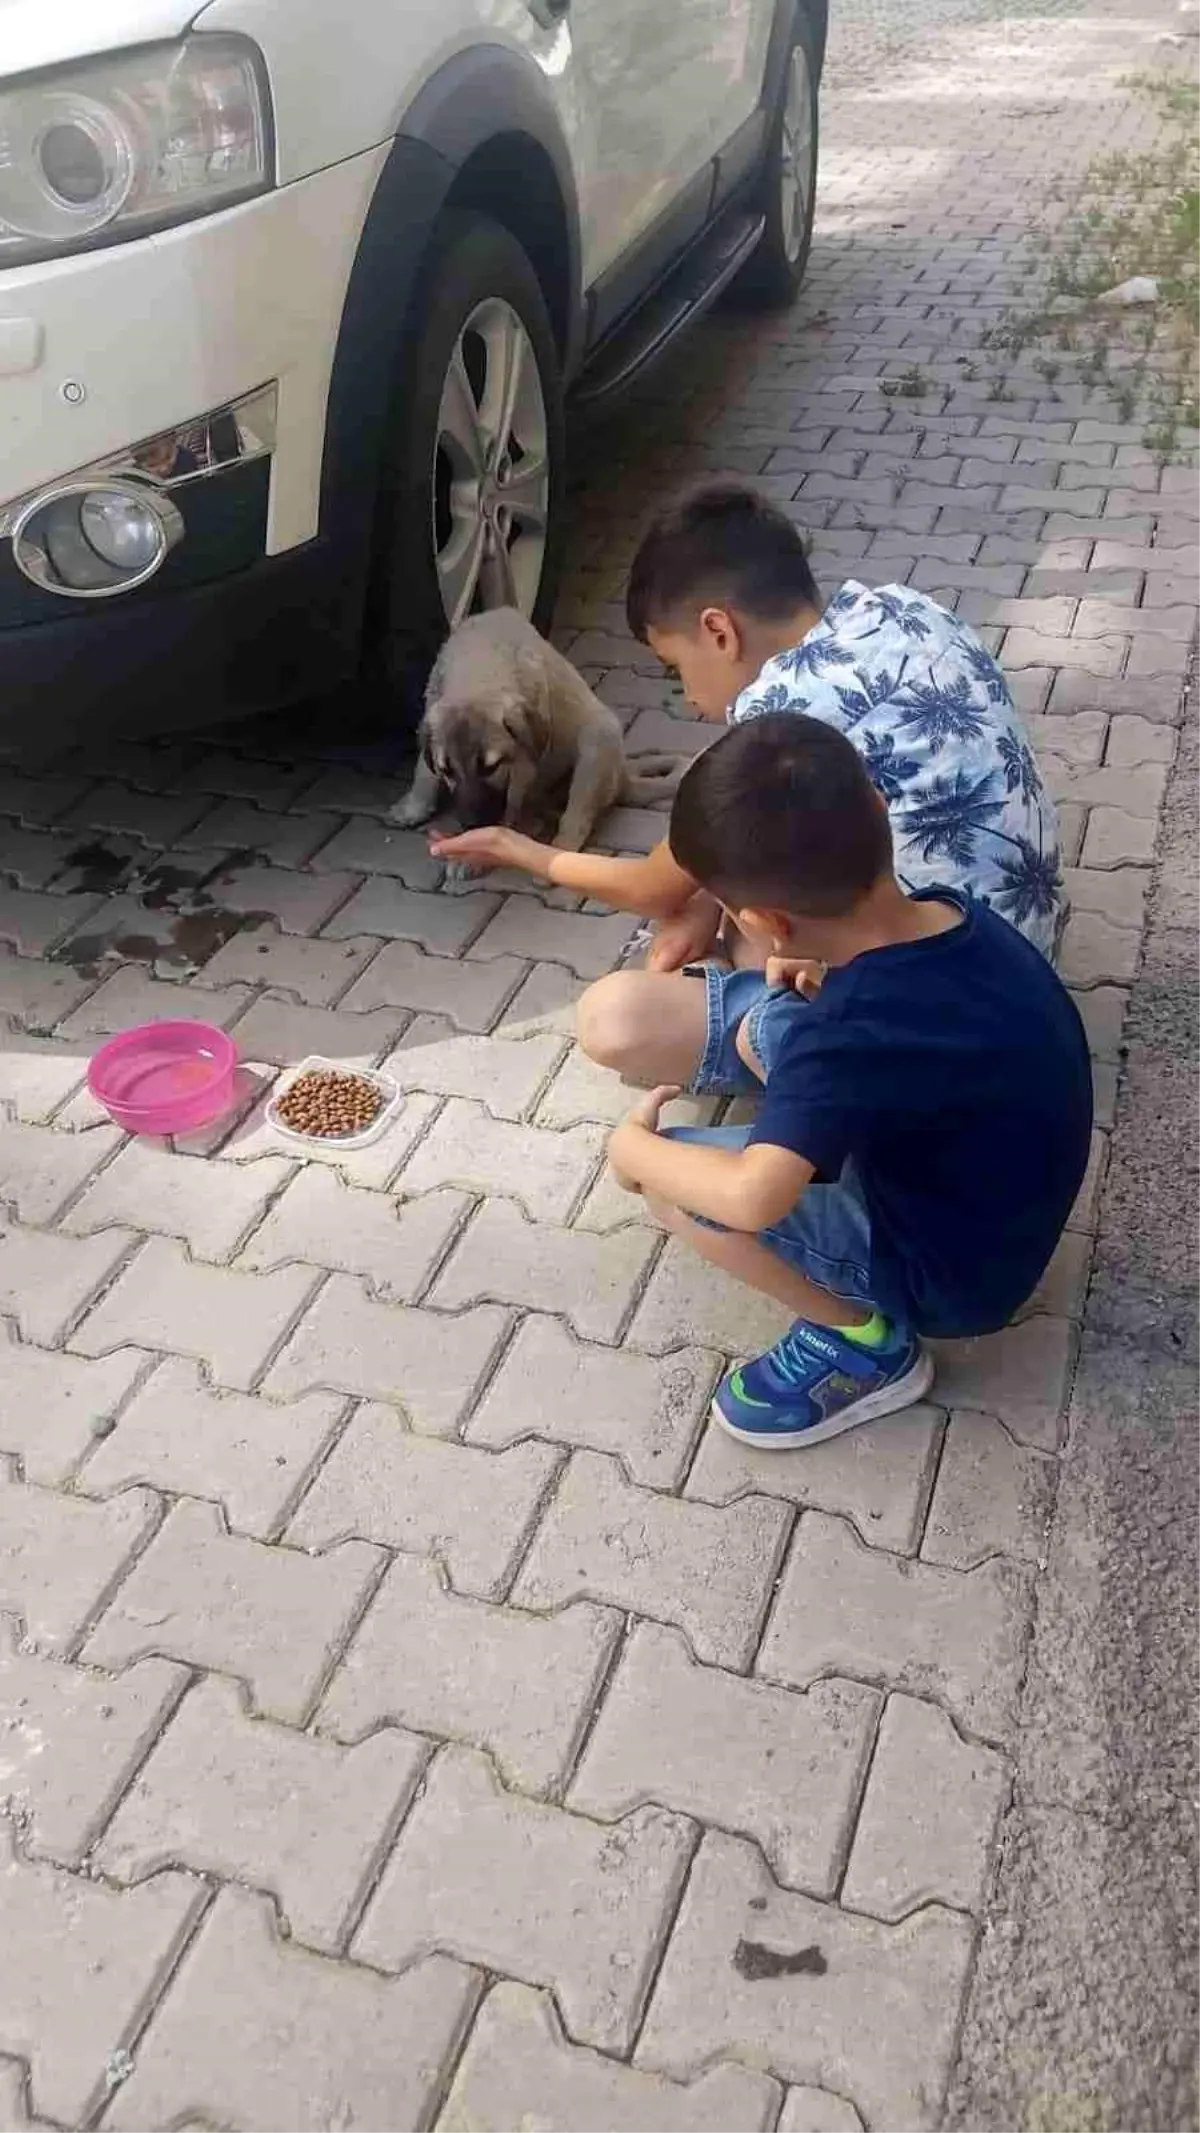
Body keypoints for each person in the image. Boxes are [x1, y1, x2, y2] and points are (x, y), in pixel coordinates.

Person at [430, 480, 1064, 1099]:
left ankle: (822, 1072)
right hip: (1018, 954)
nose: (689, 698)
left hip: (942, 1021)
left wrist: (521, 850)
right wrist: (704, 904)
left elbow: (651, 888)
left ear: (719, 632)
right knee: (724, 898)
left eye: (676, 670)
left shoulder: (780, 711)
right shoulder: (899, 608)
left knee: (616, 1017)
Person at [602, 712, 1091, 1448]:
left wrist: (634, 1151)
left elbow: (753, 1194)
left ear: (767, 919)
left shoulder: (846, 1035)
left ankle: (866, 1345)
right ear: (879, 808)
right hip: (1001, 1199)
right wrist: (821, 976)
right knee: (769, 1024)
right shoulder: (955, 912)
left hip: (951, 1275)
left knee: (683, 1185)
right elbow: (906, 1022)